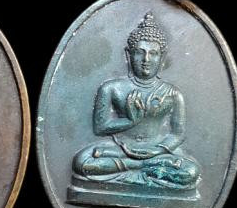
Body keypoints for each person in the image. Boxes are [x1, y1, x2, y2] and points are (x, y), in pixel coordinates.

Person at [72, 13, 200, 188]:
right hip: (119, 148)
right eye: (140, 52)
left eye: (153, 53)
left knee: (190, 172)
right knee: (82, 162)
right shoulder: (112, 88)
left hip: (158, 152)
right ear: (128, 55)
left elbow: (177, 134)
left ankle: (136, 167)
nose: (146, 60)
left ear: (162, 57)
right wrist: (130, 121)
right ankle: (144, 168)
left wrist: (158, 149)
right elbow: (100, 128)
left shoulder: (172, 93)